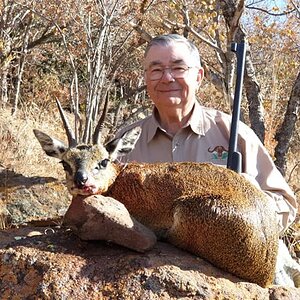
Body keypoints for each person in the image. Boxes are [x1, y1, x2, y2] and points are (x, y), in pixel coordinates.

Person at [116, 33, 297, 236]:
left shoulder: (233, 133)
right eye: (156, 70)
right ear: (146, 78)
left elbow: (285, 207)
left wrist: (249, 202)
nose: (167, 78)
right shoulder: (123, 143)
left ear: (199, 77)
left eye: (178, 68)